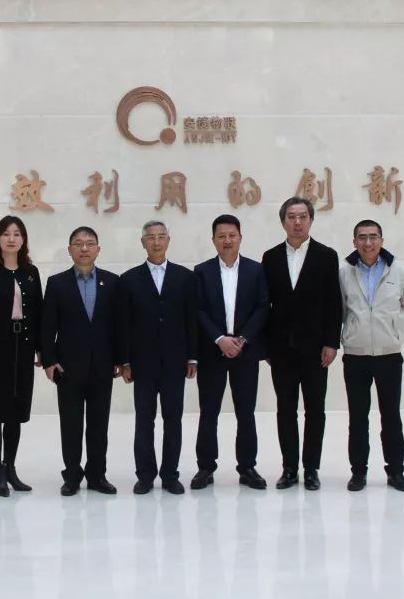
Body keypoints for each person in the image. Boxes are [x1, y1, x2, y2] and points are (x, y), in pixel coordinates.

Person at [261, 197, 342, 491]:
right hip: (281, 349)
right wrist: (266, 346)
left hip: (315, 349)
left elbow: (334, 303)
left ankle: (311, 469)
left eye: (303, 216)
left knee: (315, 410)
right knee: (285, 409)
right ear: (283, 221)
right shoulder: (270, 257)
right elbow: (264, 304)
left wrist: (331, 342)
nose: (297, 222)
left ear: (311, 220)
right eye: (292, 217)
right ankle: (289, 468)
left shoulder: (327, 256)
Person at [117, 220, 199, 495]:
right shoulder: (129, 279)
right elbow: (124, 323)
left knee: (173, 420)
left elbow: (191, 319)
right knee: (144, 420)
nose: (156, 242)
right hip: (143, 363)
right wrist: (125, 361)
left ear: (168, 241)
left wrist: (193, 357)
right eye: (150, 237)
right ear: (143, 243)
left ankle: (170, 475)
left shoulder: (185, 277)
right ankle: (145, 475)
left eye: (161, 237)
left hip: (175, 361)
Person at [191, 214, 269, 490]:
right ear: (213, 240)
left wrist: (242, 339)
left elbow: (262, 307)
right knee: (208, 411)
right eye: (221, 236)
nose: (227, 241)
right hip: (212, 352)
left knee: (245, 412)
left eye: (232, 235)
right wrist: (220, 338)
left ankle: (247, 468)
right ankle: (205, 468)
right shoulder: (201, 272)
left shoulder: (255, 270)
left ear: (240, 238)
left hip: (245, 352)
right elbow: (198, 309)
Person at [41, 226, 120, 496]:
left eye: (89, 243)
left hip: (102, 366)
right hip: (68, 368)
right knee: (71, 425)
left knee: (99, 425)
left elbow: (119, 325)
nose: (84, 248)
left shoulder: (112, 282)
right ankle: (72, 476)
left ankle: (97, 475)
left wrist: (120, 359)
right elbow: (47, 327)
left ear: (98, 249)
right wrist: (49, 361)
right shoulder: (57, 283)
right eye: (78, 243)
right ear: (69, 250)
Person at [339, 220, 404, 493]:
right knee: (357, 418)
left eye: (373, 237)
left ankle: (396, 471)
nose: (368, 243)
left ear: (381, 240)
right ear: (354, 242)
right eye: (362, 237)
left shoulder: (398, 271)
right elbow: (341, 310)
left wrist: (394, 332)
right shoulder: (345, 272)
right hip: (356, 356)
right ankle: (358, 472)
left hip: (389, 356)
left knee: (391, 417)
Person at [0, 215, 43, 497]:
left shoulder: (31, 272)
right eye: (6, 233)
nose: (11, 239)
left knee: (15, 412)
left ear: (23, 239)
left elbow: (39, 312)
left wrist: (41, 349)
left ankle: (11, 468)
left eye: (16, 233)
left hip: (23, 349)